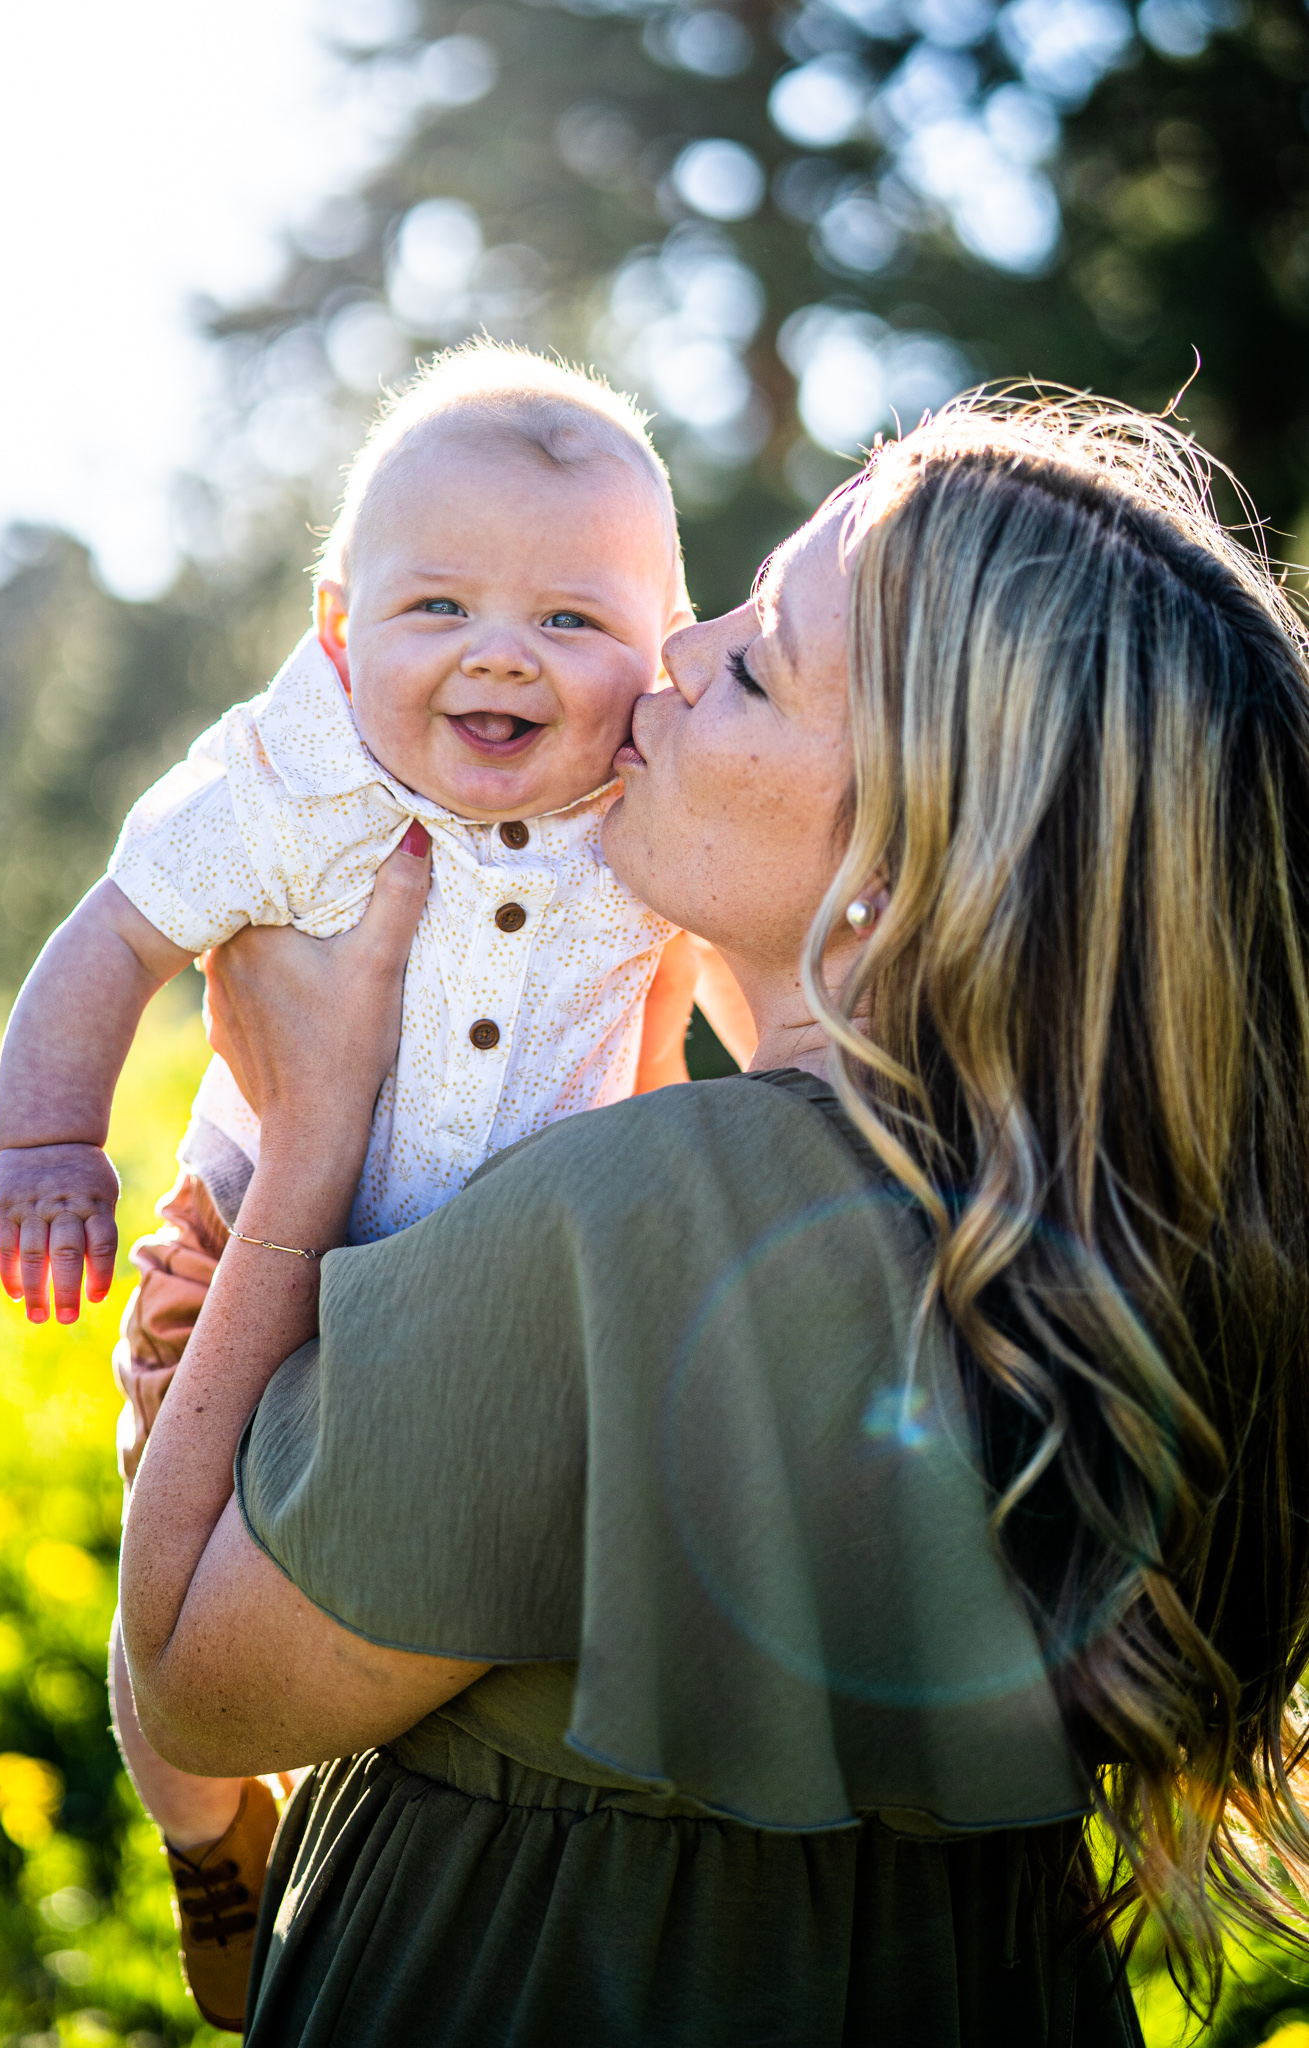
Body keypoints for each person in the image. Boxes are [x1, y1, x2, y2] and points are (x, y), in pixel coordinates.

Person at [121, 392, 1309, 2046]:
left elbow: (195, 1676)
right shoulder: (1097, 1247)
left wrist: (307, 1134)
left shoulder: (637, 1223)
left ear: (903, 862)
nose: (672, 656)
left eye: (754, 660)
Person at [0, 340, 752, 2026]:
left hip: (490, 1311)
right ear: (338, 629)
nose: (500, 654)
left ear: (662, 648)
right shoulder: (285, 783)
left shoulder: (653, 807)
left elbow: (697, 1011)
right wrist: (52, 1140)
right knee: (166, 1595)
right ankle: (207, 1850)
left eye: (571, 621)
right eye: (438, 611)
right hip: (247, 1269)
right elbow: (111, 935)